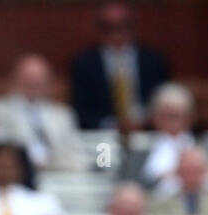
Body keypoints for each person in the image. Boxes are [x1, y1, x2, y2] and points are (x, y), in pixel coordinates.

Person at [70, 1, 169, 131]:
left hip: (148, 131)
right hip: (103, 135)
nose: (116, 33)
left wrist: (146, 121)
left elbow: (164, 100)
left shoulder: (153, 61)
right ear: (99, 29)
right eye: (109, 27)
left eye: (123, 26)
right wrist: (112, 125)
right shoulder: (84, 64)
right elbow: (81, 111)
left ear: (133, 27)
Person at [0, 54, 84, 172]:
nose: (34, 81)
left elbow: (73, 150)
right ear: (15, 78)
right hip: (19, 174)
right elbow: (1, 145)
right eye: (29, 76)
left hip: (58, 173)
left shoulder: (62, 114)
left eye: (40, 77)